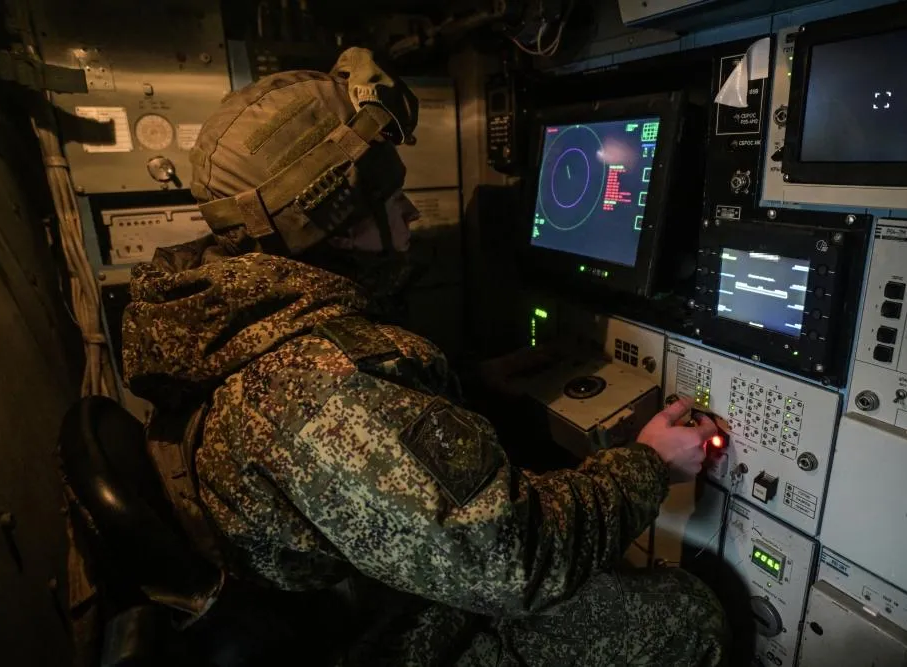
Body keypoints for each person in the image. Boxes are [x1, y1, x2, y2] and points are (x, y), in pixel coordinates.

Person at [121, 47, 727, 666]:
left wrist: (471, 383)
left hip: (341, 598)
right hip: (376, 637)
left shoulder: (224, 309)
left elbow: (359, 441)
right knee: (686, 614)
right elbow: (518, 562)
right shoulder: (324, 387)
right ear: (335, 222)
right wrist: (650, 465)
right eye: (391, 199)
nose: (411, 211)